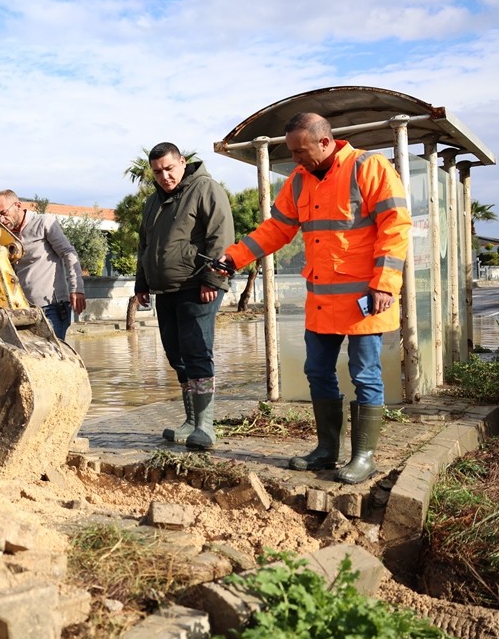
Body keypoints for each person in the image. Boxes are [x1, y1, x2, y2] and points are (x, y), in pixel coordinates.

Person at [216, 112, 411, 484]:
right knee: (317, 372)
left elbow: (395, 226)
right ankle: (326, 451)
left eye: (300, 151)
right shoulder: (298, 181)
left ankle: (364, 457)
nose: (296, 158)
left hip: (367, 299)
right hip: (322, 299)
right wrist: (235, 256)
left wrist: (385, 283)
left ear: (325, 142)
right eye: (291, 152)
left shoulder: (369, 168)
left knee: (365, 375)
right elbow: (276, 229)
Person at [134, 142, 235, 451]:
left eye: (169, 168)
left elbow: (222, 235)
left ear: (182, 162)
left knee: (196, 351)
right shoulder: (153, 202)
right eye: (157, 172)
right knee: (176, 355)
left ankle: (206, 426)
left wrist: (212, 279)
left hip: (197, 286)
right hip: (166, 289)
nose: (164, 176)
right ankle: (190, 421)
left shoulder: (206, 188)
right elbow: (145, 245)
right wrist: (142, 284)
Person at [0, 190, 86, 341]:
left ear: (18, 205)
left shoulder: (43, 223)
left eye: (4, 213)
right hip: (21, 311)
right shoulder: (5, 236)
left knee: (54, 358)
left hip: (51, 308)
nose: (1, 220)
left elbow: (68, 253)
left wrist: (77, 289)